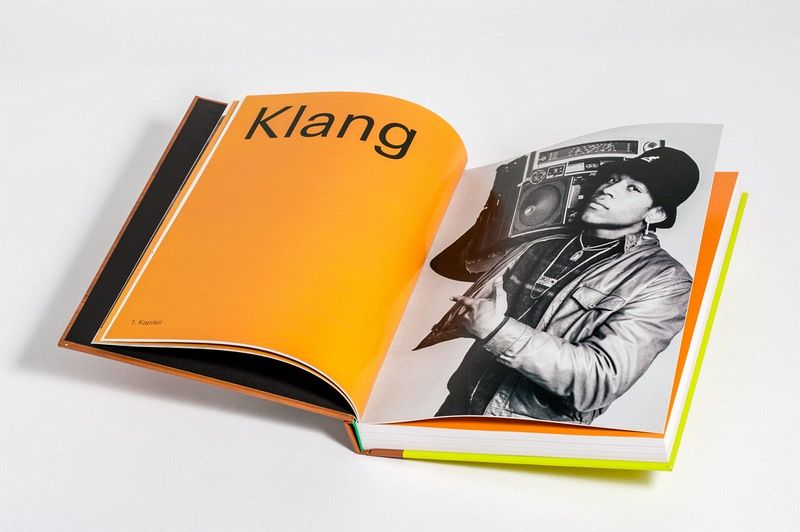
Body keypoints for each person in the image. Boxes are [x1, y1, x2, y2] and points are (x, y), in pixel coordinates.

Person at [434, 146, 700, 424]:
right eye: (613, 179)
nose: (608, 190)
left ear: (656, 213)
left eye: (633, 188)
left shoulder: (665, 280)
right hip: (457, 408)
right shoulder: (540, 244)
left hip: (527, 432)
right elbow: (456, 266)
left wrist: (496, 330)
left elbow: (600, 381)